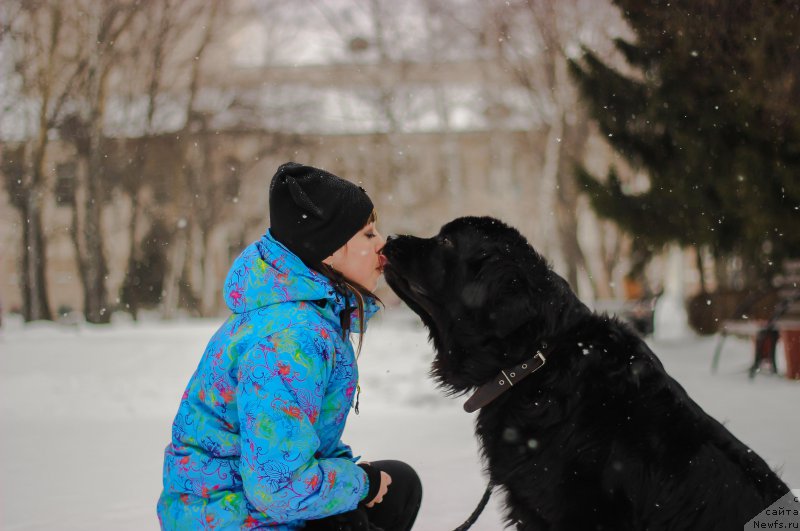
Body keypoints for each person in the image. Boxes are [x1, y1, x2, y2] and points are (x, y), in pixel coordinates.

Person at [157, 162, 422, 530]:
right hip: (228, 519)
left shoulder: (308, 317)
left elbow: (306, 447)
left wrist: (359, 484)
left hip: (245, 506)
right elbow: (278, 488)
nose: (382, 243)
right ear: (329, 251)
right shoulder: (290, 340)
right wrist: (361, 484)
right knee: (374, 497)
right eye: (367, 234)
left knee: (397, 485)